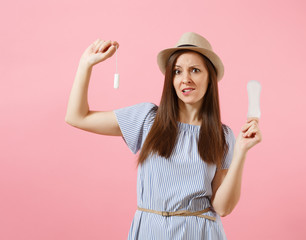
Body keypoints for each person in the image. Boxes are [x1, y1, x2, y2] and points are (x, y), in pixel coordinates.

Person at [65, 32, 262, 239]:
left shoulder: (222, 135)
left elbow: (222, 208)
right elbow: (77, 117)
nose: (185, 79)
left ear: (210, 78)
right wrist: (85, 65)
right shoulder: (147, 119)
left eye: (195, 70)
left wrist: (240, 151)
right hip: (151, 231)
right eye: (177, 71)